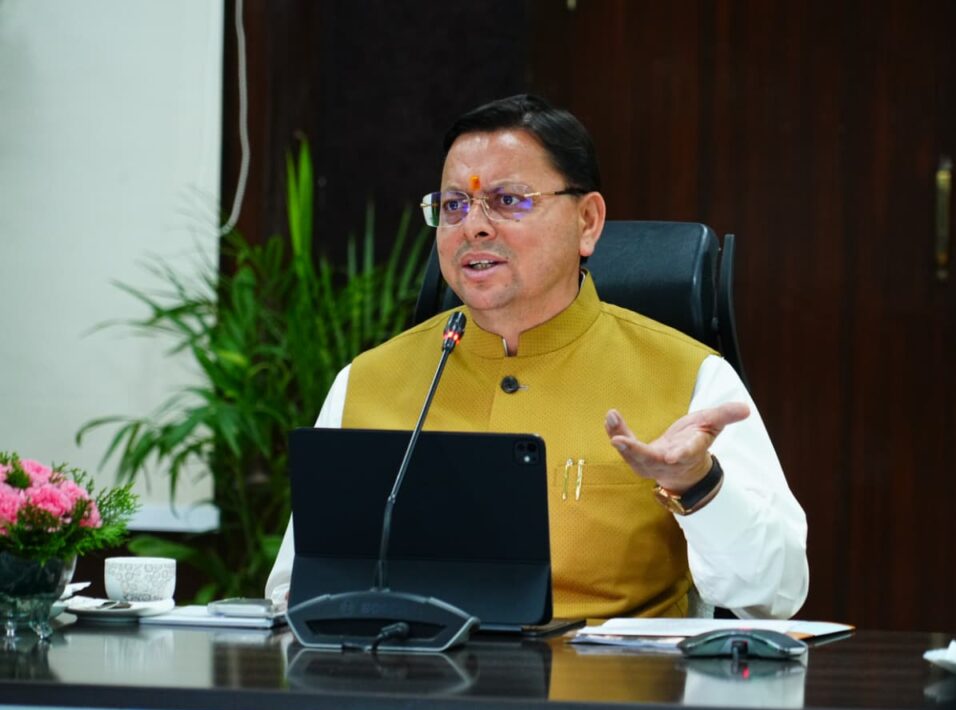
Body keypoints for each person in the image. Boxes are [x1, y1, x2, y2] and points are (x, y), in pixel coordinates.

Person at [267, 94, 808, 620]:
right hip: (411, 676)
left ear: (587, 222)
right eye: (454, 205)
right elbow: (294, 592)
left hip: (608, 680)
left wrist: (698, 484)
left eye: (508, 200)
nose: (473, 226)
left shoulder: (692, 379)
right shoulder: (366, 382)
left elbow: (776, 595)